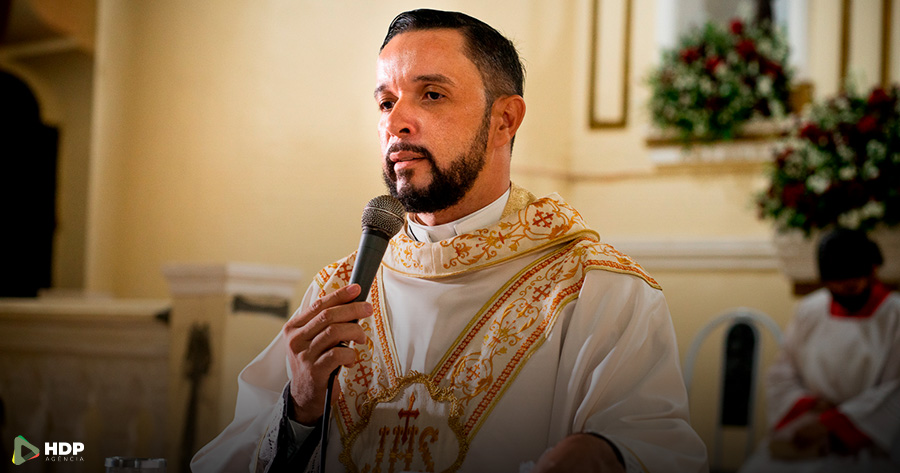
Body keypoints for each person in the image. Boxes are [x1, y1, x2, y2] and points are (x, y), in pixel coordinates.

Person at [191, 9, 707, 473]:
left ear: (504, 120)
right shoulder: (341, 290)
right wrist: (299, 410)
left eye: (431, 94)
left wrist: (608, 455)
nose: (396, 123)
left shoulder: (596, 291)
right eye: (386, 101)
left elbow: (659, 447)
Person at [739, 229, 900, 473]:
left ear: (872, 270)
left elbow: (895, 392)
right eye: (837, 278)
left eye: (855, 276)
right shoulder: (810, 310)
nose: (847, 285)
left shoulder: (894, 316)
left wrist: (834, 423)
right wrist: (810, 407)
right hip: (807, 428)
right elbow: (782, 373)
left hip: (869, 441)